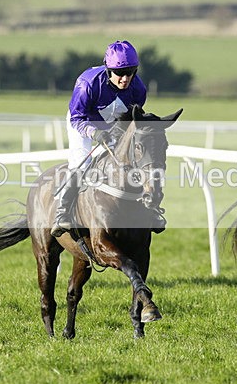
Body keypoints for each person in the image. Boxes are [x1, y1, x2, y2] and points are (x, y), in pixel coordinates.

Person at [51, 40, 165, 237]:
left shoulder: (138, 89)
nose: (125, 79)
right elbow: (78, 118)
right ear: (108, 69)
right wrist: (94, 133)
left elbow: (131, 120)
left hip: (113, 124)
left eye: (130, 72)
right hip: (83, 122)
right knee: (81, 163)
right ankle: (62, 212)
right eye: (120, 73)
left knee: (133, 160)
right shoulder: (87, 84)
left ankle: (151, 208)